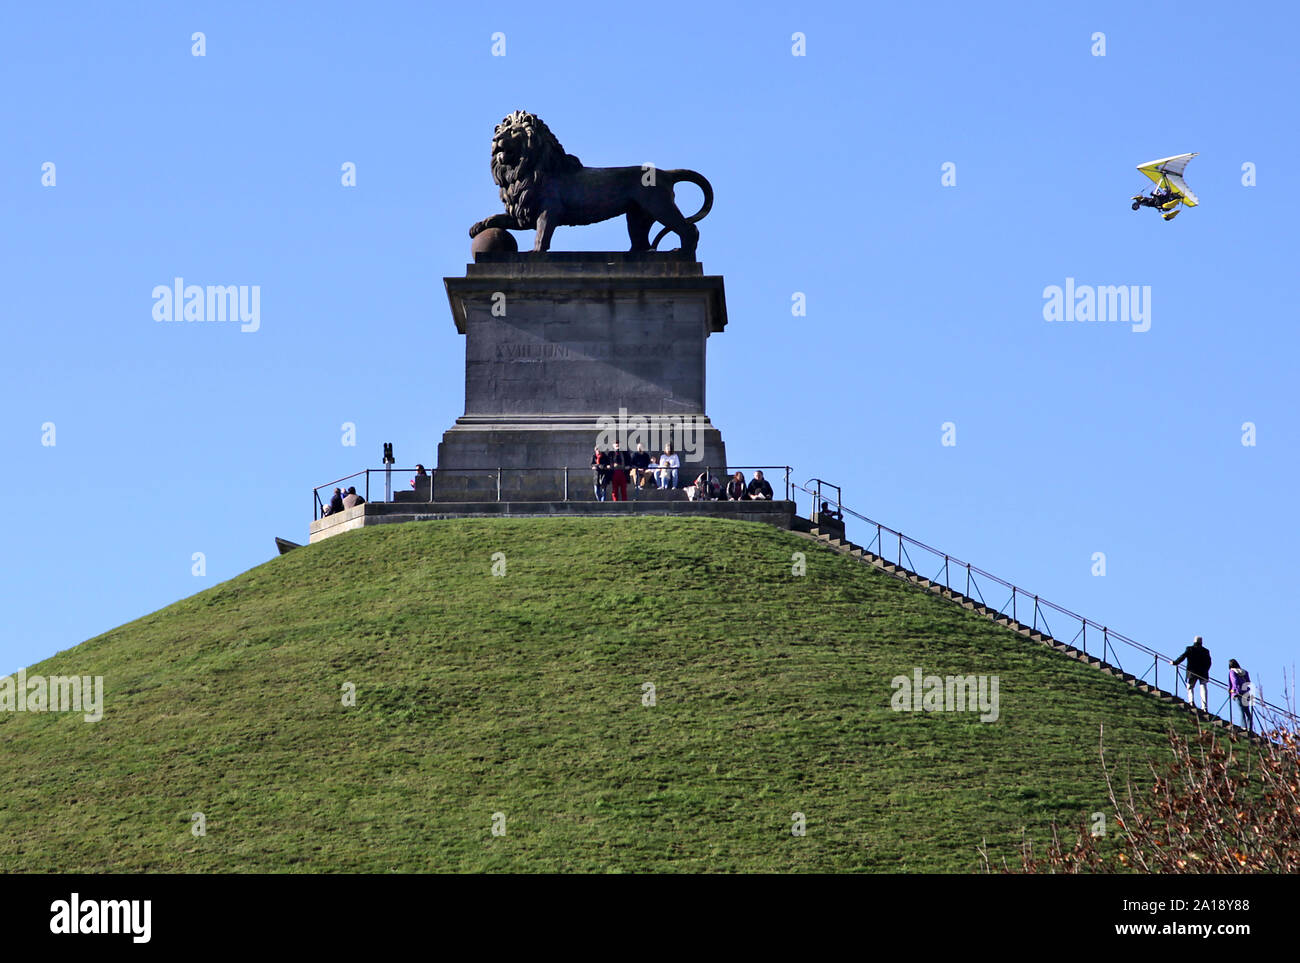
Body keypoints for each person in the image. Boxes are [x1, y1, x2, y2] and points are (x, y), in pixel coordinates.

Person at [1171, 635, 1212, 710]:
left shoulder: (1190, 649)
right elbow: (1209, 662)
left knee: (1190, 687)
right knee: (1203, 688)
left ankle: (1191, 701)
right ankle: (1204, 707)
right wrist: (1206, 670)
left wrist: (1175, 662)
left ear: (1194, 641)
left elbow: (1183, 656)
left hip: (1192, 672)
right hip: (1203, 673)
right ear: (1201, 642)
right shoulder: (1206, 651)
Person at [1228, 659, 1254, 732]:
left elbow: (1234, 681)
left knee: (1241, 710)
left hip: (1237, 693)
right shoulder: (1244, 672)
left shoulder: (1232, 672)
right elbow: (1248, 682)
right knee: (1247, 711)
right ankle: (1250, 728)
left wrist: (1233, 690)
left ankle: (1244, 727)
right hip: (1246, 693)